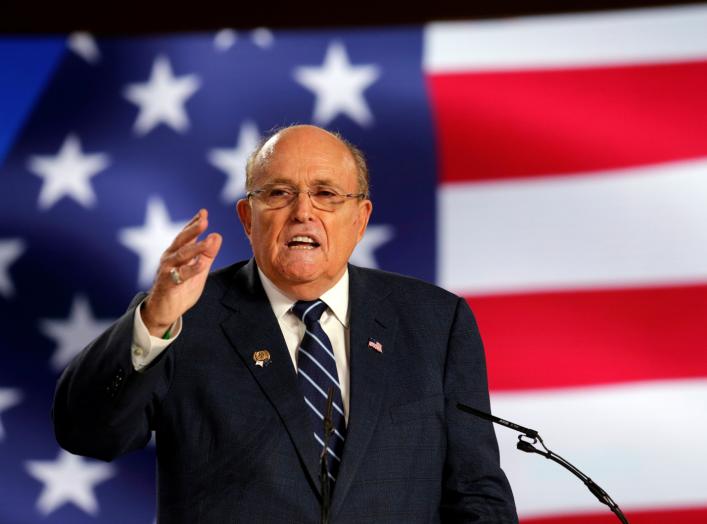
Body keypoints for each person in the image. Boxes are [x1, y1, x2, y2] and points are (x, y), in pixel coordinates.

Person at [52, 125, 518, 523]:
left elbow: (476, 492)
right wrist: (154, 320)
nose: (303, 211)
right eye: (278, 193)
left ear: (360, 219)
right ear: (247, 218)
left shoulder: (435, 321)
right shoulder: (180, 316)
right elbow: (87, 434)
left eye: (326, 194)